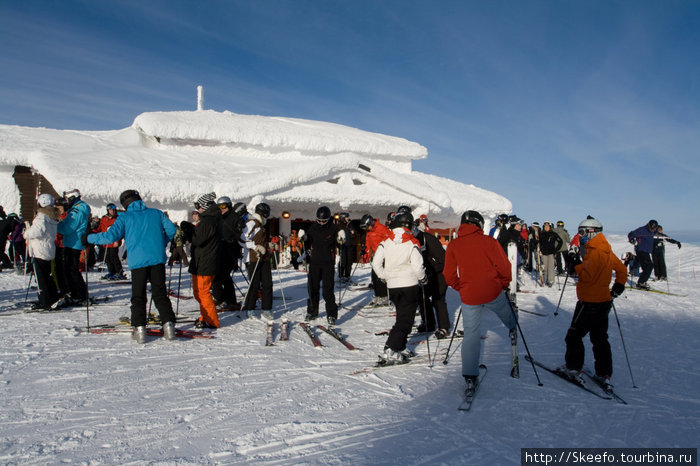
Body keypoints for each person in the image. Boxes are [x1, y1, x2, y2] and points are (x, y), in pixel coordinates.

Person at [86, 189, 178, 343]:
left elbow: (111, 236)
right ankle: (169, 326)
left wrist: (89, 237)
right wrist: (161, 242)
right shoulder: (156, 213)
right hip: (157, 259)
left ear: (125, 203)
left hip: (138, 261)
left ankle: (140, 329)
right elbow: (172, 230)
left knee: (138, 295)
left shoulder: (125, 217)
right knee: (160, 293)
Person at [443, 210, 518, 397]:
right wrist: (503, 283)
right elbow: (504, 267)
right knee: (505, 311)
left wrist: (460, 286)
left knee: (470, 335)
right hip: (492, 291)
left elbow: (449, 275)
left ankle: (470, 376)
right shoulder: (489, 242)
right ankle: (512, 325)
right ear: (479, 224)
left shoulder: (454, 244)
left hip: (469, 296)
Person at [560, 217, 627, 390]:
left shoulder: (596, 251)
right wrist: (617, 287)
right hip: (603, 301)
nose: (580, 236)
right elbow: (621, 269)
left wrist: (575, 263)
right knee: (599, 338)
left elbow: (587, 276)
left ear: (592, 232)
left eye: (582, 232)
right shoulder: (605, 250)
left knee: (574, 336)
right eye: (579, 232)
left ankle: (573, 369)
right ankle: (603, 372)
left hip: (589, 302)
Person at [372, 211, 426, 364]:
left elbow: (376, 263)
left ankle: (400, 346)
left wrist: (384, 276)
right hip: (409, 284)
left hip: (393, 286)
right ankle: (390, 348)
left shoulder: (386, 241)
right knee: (405, 321)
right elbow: (417, 265)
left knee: (401, 317)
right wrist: (423, 277)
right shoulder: (412, 241)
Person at [181, 192, 221, 328]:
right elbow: (201, 236)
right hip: (201, 261)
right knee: (198, 292)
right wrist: (191, 228)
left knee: (203, 292)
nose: (198, 209)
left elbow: (198, 239)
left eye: (198, 206)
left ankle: (212, 321)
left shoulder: (209, 220)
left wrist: (188, 230)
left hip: (205, 261)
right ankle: (205, 316)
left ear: (206, 206)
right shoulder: (209, 219)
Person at [305, 206, 344, 325]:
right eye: (319, 220)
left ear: (328, 219)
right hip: (315, 262)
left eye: (324, 221)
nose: (321, 223)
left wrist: (341, 239)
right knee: (312, 288)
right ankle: (312, 312)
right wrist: (304, 238)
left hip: (328, 263)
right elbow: (307, 242)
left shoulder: (334, 228)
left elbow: (341, 245)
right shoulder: (313, 227)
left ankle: (331, 314)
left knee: (327, 290)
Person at [414, 217, 450, 338]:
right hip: (425, 274)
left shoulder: (428, 238)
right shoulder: (411, 242)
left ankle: (444, 327)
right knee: (422, 297)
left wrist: (432, 270)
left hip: (438, 274)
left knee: (438, 300)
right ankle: (429, 323)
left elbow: (443, 259)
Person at [55, 189, 91, 307]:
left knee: (72, 270)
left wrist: (57, 226)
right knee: (71, 270)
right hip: (73, 242)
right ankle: (77, 293)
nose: (66, 202)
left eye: (67, 199)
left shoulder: (77, 210)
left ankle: (79, 295)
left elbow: (68, 228)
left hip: (73, 242)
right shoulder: (78, 208)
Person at [23, 194, 59, 309]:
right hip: (48, 249)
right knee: (47, 275)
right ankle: (52, 297)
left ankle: (45, 301)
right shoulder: (52, 216)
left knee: (41, 278)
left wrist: (26, 233)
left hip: (39, 250)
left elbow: (37, 232)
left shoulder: (41, 217)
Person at [240, 202, 274, 318]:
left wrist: (268, 244)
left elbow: (260, 239)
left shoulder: (261, 224)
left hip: (264, 258)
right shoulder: (252, 223)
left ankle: (267, 309)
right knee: (254, 284)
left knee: (268, 283)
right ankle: (250, 309)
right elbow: (241, 240)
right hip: (253, 258)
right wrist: (255, 247)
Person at [212, 196, 241, 311]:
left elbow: (241, 234)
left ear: (229, 205)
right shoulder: (218, 218)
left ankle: (231, 301)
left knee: (225, 276)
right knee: (216, 276)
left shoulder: (235, 218)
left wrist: (231, 241)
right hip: (219, 251)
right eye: (219, 207)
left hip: (230, 251)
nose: (221, 209)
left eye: (223, 206)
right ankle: (220, 298)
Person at [360, 214, 392, 307]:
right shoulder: (369, 231)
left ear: (370, 222)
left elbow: (390, 239)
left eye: (366, 227)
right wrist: (365, 253)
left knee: (381, 277)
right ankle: (378, 296)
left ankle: (385, 296)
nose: (366, 229)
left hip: (384, 256)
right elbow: (368, 243)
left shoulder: (381, 228)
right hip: (376, 257)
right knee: (374, 277)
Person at [628, 220, 660, 290]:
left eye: (654, 229)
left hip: (646, 251)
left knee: (647, 267)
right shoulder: (642, 230)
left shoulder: (653, 231)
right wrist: (632, 240)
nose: (652, 230)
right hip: (640, 250)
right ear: (648, 225)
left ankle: (641, 281)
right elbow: (631, 234)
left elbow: (657, 233)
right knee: (649, 266)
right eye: (651, 228)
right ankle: (641, 283)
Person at [97, 203, 126, 280]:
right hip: (106, 241)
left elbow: (119, 231)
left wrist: (117, 240)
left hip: (114, 241)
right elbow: (101, 228)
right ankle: (111, 272)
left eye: (113, 210)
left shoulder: (117, 219)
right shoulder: (104, 218)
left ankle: (119, 272)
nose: (112, 211)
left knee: (114, 257)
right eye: (110, 210)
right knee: (107, 258)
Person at [539, 222, 563, 287]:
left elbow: (560, 241)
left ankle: (551, 280)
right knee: (546, 268)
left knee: (551, 267)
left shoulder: (553, 234)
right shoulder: (541, 234)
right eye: (545, 226)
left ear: (550, 227)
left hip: (551, 253)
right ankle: (547, 280)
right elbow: (538, 242)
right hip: (544, 253)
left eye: (547, 226)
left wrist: (556, 249)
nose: (546, 227)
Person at [336, 212, 356, 283]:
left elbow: (354, 234)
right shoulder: (339, 226)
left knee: (349, 262)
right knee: (343, 261)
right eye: (346, 217)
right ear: (343, 218)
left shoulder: (350, 225)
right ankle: (341, 276)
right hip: (343, 246)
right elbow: (336, 237)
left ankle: (347, 276)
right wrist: (338, 243)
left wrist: (353, 233)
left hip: (349, 245)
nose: (348, 218)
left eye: (348, 217)